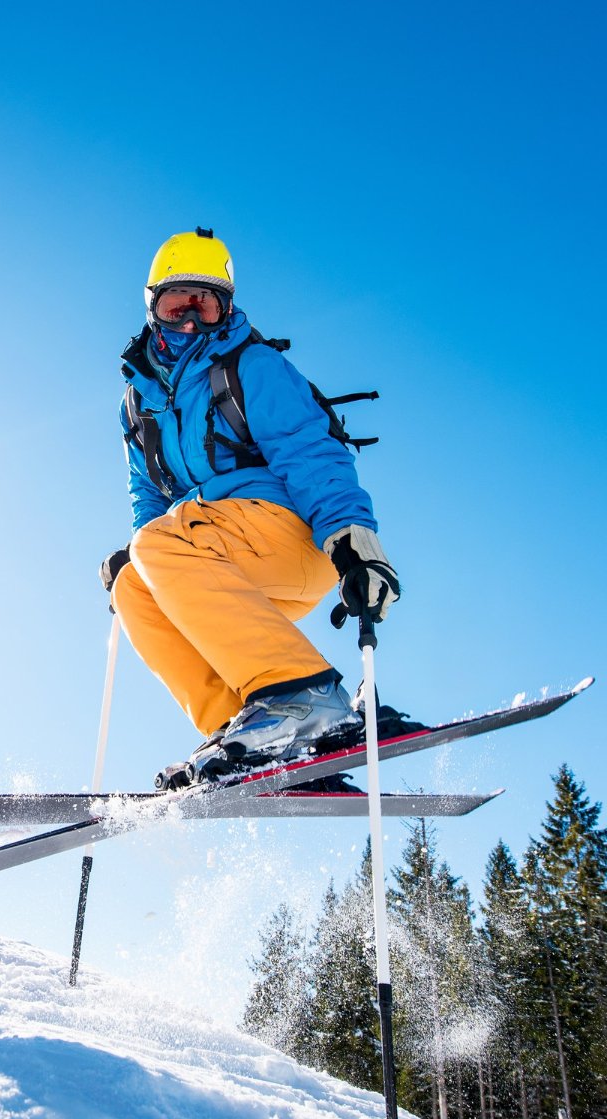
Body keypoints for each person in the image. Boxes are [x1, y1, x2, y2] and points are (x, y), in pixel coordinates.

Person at [102, 228, 400, 787]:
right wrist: (143, 560)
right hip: (218, 557)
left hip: (292, 537)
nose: (191, 321)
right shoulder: (136, 405)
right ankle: (246, 729)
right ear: (153, 310)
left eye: (206, 306)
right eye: (177, 305)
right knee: (134, 586)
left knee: (156, 545)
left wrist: (353, 538)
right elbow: (149, 499)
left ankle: (302, 698)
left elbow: (309, 449)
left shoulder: (249, 365)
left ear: (226, 309)